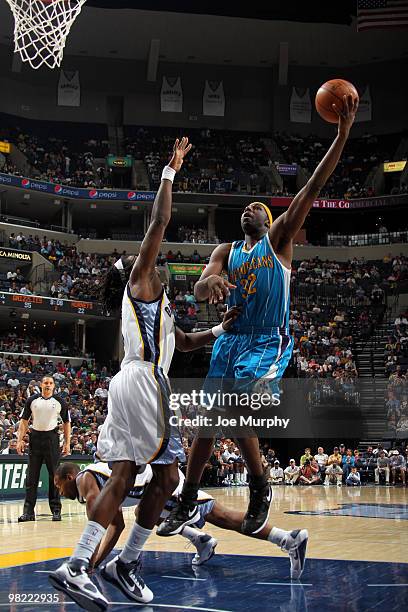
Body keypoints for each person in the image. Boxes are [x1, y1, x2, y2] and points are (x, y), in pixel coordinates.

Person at [158, 95, 357, 553]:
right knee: (207, 423)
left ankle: (260, 484)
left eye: (258, 206)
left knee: (237, 401)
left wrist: (342, 137)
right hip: (231, 340)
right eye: (247, 205)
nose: (250, 207)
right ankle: (188, 496)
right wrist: (211, 287)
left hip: (267, 341)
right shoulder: (228, 251)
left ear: (269, 222)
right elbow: (201, 287)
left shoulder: (280, 239)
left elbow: (310, 189)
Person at [48, 138, 239, 611]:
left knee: (131, 473)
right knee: (169, 474)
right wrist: (170, 173)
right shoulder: (142, 281)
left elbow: (186, 343)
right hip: (143, 383)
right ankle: (111, 563)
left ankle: (88, 565)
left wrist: (218, 328)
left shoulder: (163, 310)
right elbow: (159, 221)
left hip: (136, 383)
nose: (162, 266)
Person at [55, 460, 308, 579]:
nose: (59, 492)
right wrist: (96, 562)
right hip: (159, 483)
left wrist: (91, 562)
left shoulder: (85, 481)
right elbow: (117, 524)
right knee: (149, 516)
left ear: (68, 477)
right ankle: (202, 541)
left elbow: (100, 531)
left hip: (163, 485)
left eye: (57, 486)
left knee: (223, 517)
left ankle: (287, 539)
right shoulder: (96, 477)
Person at [16, 375, 70, 522]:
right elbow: (24, 421)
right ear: (41, 385)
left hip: (51, 439)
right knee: (31, 477)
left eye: (50, 383)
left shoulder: (60, 401)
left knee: (55, 476)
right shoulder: (32, 400)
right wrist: (19, 440)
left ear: (54, 386)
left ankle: (56, 510)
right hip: (35, 438)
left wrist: (67, 443)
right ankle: (28, 512)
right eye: (45, 382)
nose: (48, 385)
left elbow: (66, 423)